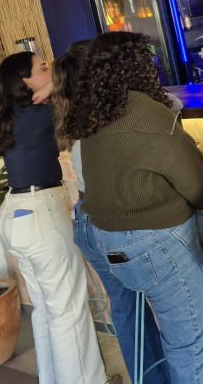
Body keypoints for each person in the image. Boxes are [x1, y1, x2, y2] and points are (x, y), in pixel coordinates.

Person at [65, 32, 203, 384]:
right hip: (160, 245)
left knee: (184, 345)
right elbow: (197, 185)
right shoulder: (150, 115)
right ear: (137, 68)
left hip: (112, 245)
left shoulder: (92, 117)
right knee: (191, 348)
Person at [0, 51, 115, 384]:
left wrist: (49, 87)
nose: (49, 69)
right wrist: (56, 86)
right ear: (25, 82)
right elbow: (89, 89)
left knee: (46, 308)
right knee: (67, 311)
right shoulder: (40, 114)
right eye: (42, 68)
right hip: (41, 215)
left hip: (15, 214)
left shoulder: (12, 114)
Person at [52, 42, 170, 384]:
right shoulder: (110, 117)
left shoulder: (74, 117)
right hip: (112, 222)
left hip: (86, 221)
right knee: (159, 305)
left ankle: (151, 379)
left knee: (127, 309)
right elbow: (169, 110)